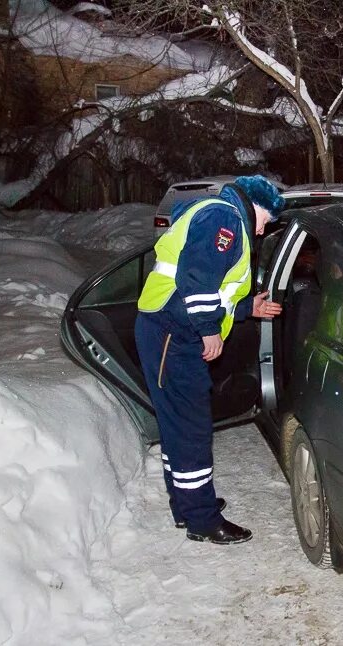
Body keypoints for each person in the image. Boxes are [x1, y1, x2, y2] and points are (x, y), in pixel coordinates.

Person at [135, 175, 284, 545]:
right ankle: (202, 519)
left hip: (166, 328)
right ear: (256, 206)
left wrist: (249, 306)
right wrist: (208, 330)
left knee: (177, 425)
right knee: (191, 427)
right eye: (266, 219)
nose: (264, 229)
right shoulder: (226, 219)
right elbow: (197, 281)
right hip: (175, 333)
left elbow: (216, 287)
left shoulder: (218, 213)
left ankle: (187, 504)